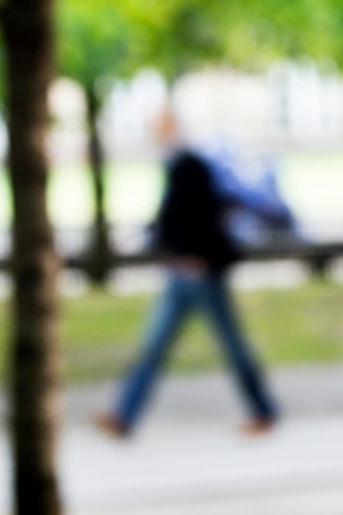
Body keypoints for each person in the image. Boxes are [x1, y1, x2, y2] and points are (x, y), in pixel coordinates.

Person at [95, 110, 296, 438]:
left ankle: (263, 409)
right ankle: (124, 415)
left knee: (228, 345)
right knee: (155, 346)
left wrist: (194, 256)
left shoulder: (191, 166)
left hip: (200, 272)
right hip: (181, 272)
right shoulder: (179, 165)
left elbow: (201, 217)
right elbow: (171, 220)